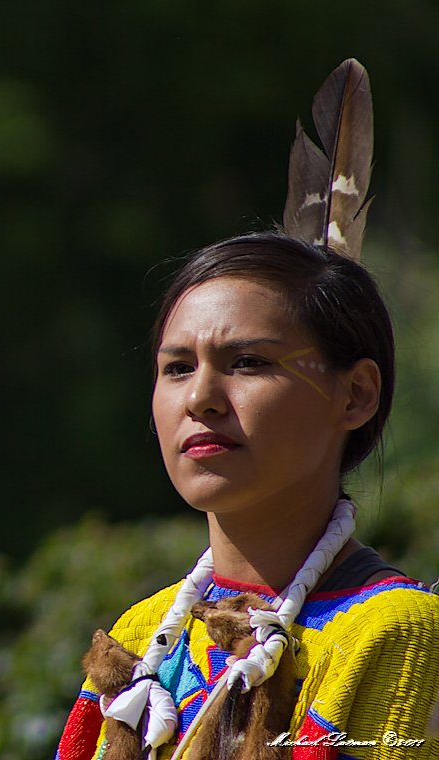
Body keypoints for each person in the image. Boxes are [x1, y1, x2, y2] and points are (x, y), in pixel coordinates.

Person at [53, 232, 439, 759]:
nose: (200, 398)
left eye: (248, 362)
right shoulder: (142, 634)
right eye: (177, 368)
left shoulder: (396, 635)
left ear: (356, 395)